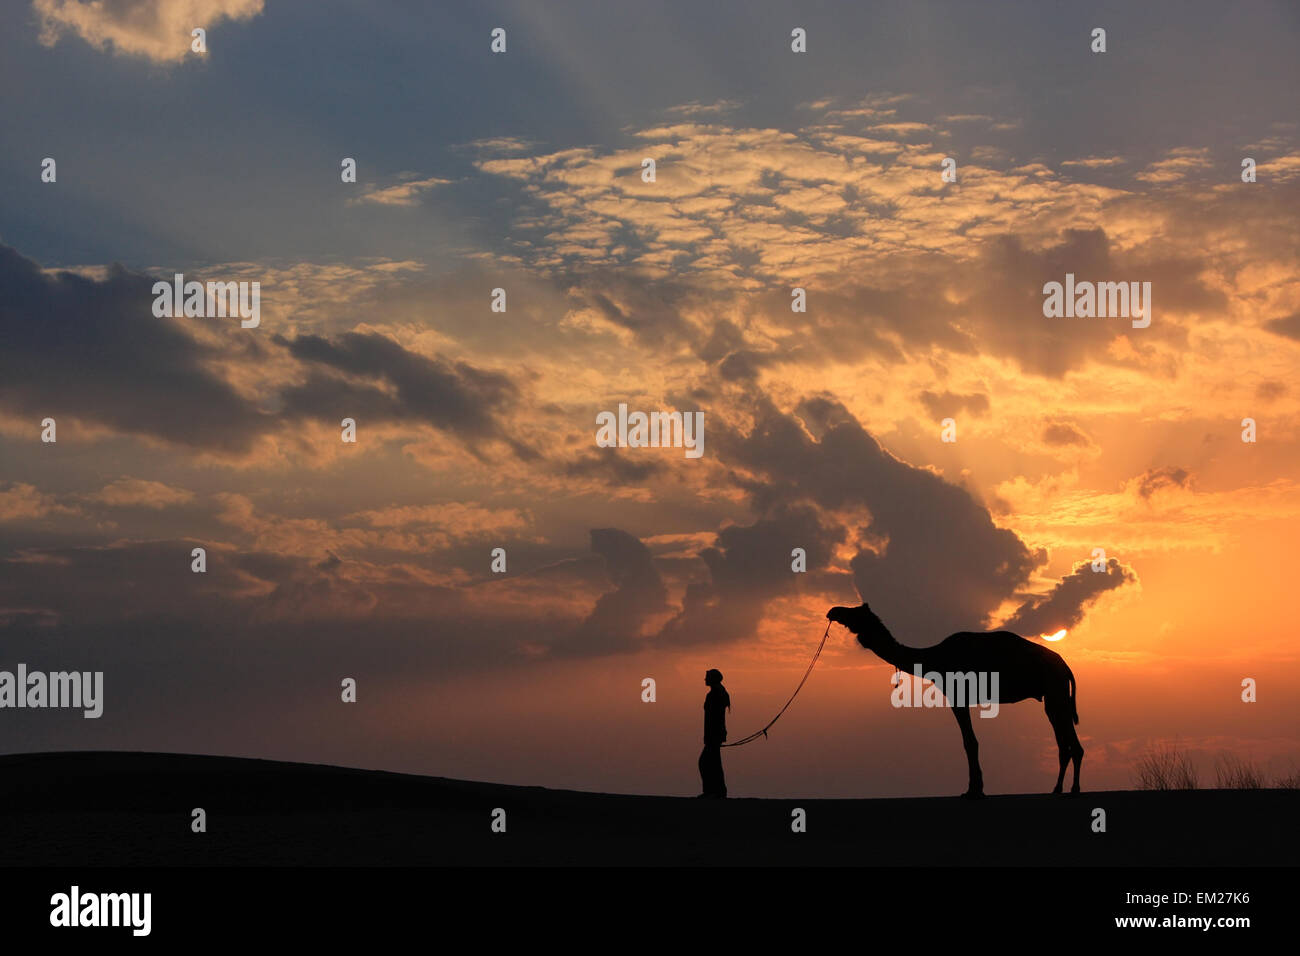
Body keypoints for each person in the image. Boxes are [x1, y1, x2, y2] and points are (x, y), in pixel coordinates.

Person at [698, 668, 730, 798]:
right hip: (715, 734)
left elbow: (714, 717)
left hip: (713, 735)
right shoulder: (719, 692)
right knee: (713, 763)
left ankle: (712, 792)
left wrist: (712, 735)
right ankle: (718, 791)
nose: (705, 680)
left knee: (705, 763)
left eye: (707, 677)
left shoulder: (715, 694)